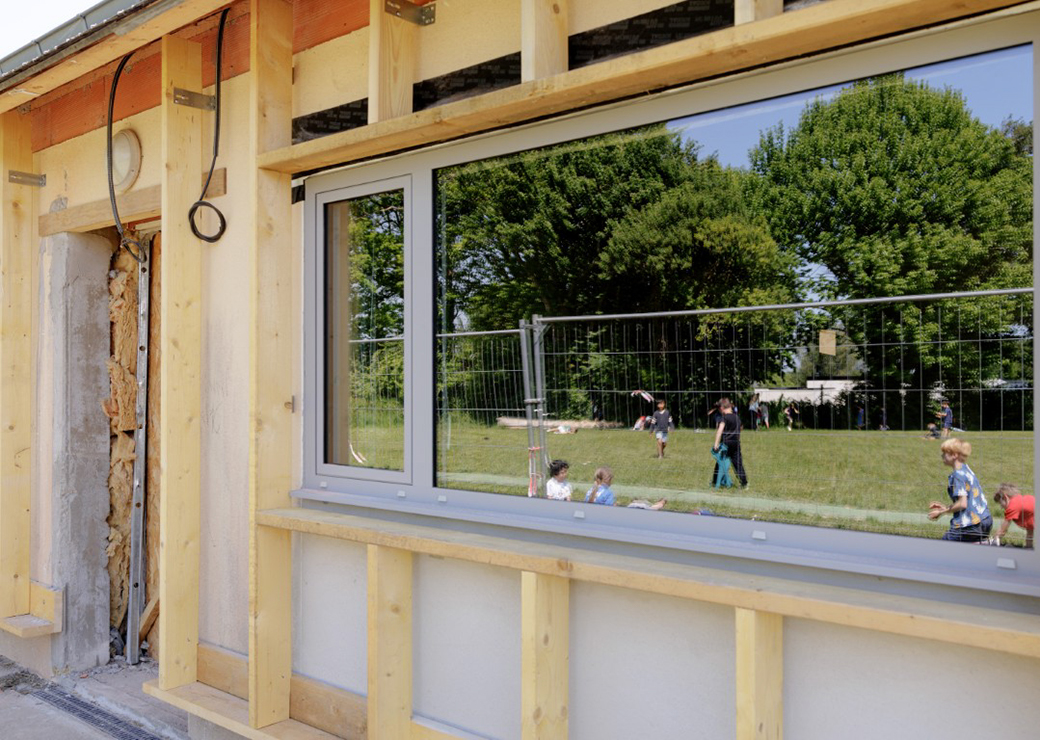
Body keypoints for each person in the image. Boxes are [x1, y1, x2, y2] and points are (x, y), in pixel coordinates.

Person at [927, 438, 992, 542]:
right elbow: (969, 500)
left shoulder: (957, 475)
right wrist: (945, 507)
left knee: (945, 545)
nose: (942, 456)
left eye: (944, 453)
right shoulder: (966, 469)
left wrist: (941, 512)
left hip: (970, 524)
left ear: (954, 455)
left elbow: (962, 504)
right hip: (985, 519)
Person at [584, 466, 666, 509]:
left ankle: (656, 504)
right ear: (609, 479)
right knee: (635, 507)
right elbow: (611, 510)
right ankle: (659, 505)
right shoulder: (608, 493)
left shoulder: (590, 490)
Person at [712, 397, 747, 488]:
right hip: (735, 443)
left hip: (725, 444)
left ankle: (715, 481)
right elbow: (740, 429)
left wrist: (716, 444)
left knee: (720, 462)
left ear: (721, 408)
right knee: (738, 464)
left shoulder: (724, 418)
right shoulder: (737, 417)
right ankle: (744, 483)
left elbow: (719, 431)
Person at [993, 483, 1034, 548]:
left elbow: (1003, 530)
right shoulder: (1021, 500)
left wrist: (995, 539)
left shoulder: (1013, 505)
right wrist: (1029, 547)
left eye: (1001, 503)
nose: (1001, 507)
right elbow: (1030, 530)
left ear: (1005, 497)